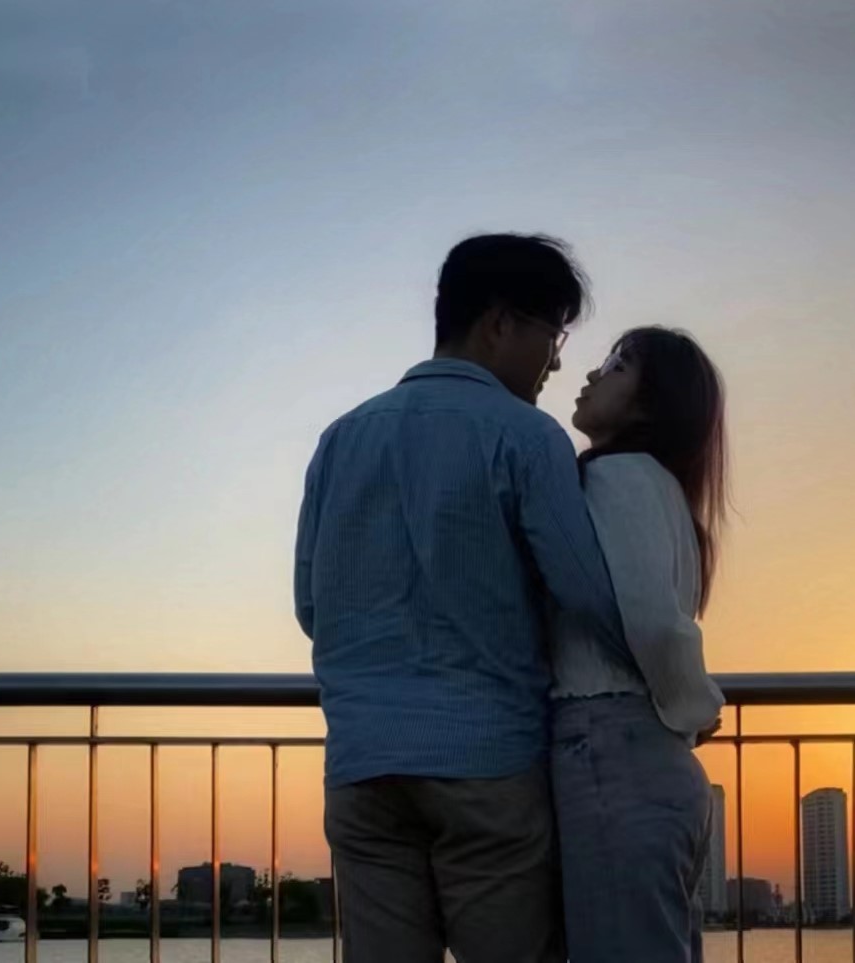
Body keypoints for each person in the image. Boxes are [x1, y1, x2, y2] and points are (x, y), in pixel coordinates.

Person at [293, 233, 629, 963]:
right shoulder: (527, 436)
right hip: (488, 761)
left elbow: (310, 606)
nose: (556, 361)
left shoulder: (341, 438)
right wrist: (668, 676)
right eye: (553, 335)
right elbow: (587, 594)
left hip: (362, 765)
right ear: (500, 322)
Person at [551, 326, 730, 963]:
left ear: (652, 405)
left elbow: (653, 621)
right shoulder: (663, 489)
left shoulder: (619, 476)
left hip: (610, 754)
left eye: (618, 367)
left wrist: (694, 703)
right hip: (647, 762)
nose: (593, 375)